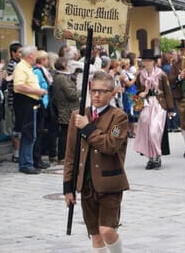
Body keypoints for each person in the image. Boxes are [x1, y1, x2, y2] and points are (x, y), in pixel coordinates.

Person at [64, 71, 129, 253]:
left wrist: (87, 127)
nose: (97, 95)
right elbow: (71, 153)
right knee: (96, 235)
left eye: (102, 91)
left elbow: (110, 145)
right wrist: (68, 187)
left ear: (112, 93)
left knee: (107, 230)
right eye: (94, 91)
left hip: (110, 183)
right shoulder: (78, 115)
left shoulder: (119, 118)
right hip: (86, 184)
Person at [134, 49, 174, 169]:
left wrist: (171, 109)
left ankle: (157, 156)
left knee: (155, 130)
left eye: (149, 60)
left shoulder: (161, 75)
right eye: (145, 60)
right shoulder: (140, 75)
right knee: (145, 128)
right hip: (147, 104)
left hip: (159, 104)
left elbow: (167, 92)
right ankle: (150, 158)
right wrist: (140, 95)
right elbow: (138, 90)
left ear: (154, 62)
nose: (147, 63)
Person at [13, 46, 47, 174]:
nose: (37, 56)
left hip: (32, 103)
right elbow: (19, 86)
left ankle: (28, 162)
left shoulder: (28, 68)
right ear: (30, 56)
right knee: (28, 134)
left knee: (31, 134)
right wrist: (38, 91)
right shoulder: (21, 67)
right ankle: (26, 164)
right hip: (25, 104)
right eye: (35, 54)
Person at [52, 58, 79, 164]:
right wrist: (82, 92)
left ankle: (64, 155)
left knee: (66, 132)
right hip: (66, 109)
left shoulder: (63, 77)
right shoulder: (61, 78)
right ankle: (62, 156)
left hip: (67, 108)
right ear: (64, 65)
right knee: (65, 133)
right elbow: (71, 94)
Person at [32, 50, 52, 169]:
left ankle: (38, 157)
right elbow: (38, 87)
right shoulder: (37, 72)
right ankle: (37, 159)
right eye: (46, 59)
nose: (48, 61)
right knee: (38, 132)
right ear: (42, 60)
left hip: (45, 103)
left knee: (42, 131)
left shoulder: (43, 71)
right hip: (40, 104)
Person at [6, 42, 23, 163]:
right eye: (19, 52)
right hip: (15, 101)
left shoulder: (19, 64)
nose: (21, 54)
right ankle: (16, 153)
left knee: (20, 127)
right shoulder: (13, 65)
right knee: (16, 127)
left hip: (20, 101)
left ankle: (19, 152)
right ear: (13, 53)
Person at [120, 58, 138, 138]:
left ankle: (132, 131)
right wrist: (135, 78)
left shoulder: (127, 72)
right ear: (124, 65)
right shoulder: (123, 73)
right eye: (127, 64)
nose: (128, 65)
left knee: (133, 111)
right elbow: (129, 84)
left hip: (133, 93)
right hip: (129, 94)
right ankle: (131, 131)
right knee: (130, 112)